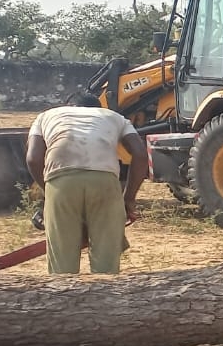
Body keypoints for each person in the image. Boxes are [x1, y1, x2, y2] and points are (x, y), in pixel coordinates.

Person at [26, 92, 149, 274]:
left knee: (62, 260)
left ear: (67, 106)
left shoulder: (46, 116)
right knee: (106, 262)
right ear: (99, 109)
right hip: (104, 181)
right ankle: (104, 294)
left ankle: (61, 295)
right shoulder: (115, 117)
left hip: (61, 180)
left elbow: (33, 159)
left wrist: (50, 192)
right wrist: (128, 199)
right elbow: (140, 154)